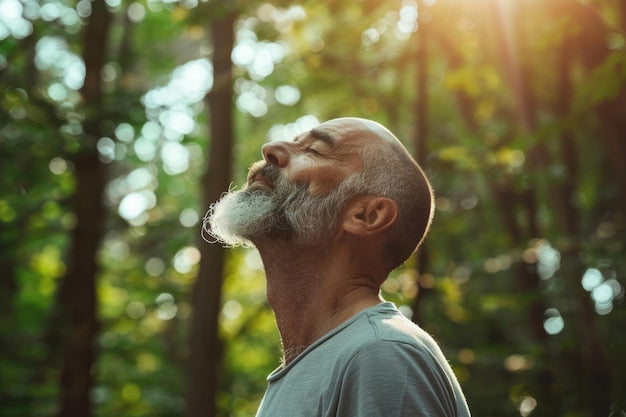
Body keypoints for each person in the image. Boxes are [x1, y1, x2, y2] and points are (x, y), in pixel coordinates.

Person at [204, 117, 471, 417]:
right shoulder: (322, 363)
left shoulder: (382, 354)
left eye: (315, 150)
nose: (270, 149)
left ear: (366, 216)